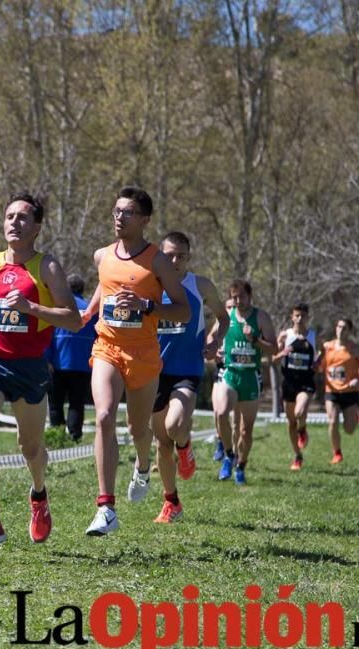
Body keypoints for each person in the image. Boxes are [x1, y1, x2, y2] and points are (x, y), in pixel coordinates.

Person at [0, 192, 81, 549]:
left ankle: (39, 496)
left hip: (29, 369)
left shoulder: (47, 268)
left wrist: (31, 307)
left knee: (30, 447)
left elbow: (73, 319)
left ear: (37, 227)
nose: (14, 223)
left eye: (23, 218)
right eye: (9, 216)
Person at [79, 186, 191, 536]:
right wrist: (89, 313)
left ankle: (143, 467)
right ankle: (106, 508)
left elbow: (183, 310)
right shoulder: (102, 255)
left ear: (144, 219)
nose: (118, 217)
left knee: (139, 430)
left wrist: (147, 307)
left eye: (127, 212)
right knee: (104, 416)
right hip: (107, 347)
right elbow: (105, 286)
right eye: (116, 210)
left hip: (142, 354)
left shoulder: (157, 261)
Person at [150, 231, 227, 523]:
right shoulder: (152, 285)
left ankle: (186, 447)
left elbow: (224, 318)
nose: (174, 260)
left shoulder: (200, 285)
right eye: (169, 255)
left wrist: (214, 342)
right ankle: (172, 502)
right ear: (161, 254)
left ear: (188, 257)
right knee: (161, 442)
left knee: (175, 424)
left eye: (180, 255)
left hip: (187, 369)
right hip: (155, 371)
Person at [212, 279, 277, 485]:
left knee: (245, 431)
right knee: (221, 413)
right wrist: (215, 349)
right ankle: (229, 455)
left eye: (241, 297)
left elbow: (274, 349)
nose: (238, 301)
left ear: (250, 296)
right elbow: (211, 337)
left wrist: (255, 340)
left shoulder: (261, 318)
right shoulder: (227, 316)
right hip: (231, 373)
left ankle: (241, 466)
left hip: (250, 376)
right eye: (234, 297)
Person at [46, 273, 97, 442]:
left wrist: (47, 359)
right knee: (77, 404)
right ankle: (75, 436)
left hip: (58, 364)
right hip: (83, 365)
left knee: (55, 404)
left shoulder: (58, 307)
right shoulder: (91, 309)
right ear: (82, 289)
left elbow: (48, 335)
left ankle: (57, 436)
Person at [274, 303, 317, 471]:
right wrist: (282, 352)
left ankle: (303, 429)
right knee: (291, 422)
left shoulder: (312, 336)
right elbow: (274, 360)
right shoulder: (285, 335)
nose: (300, 319)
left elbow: (317, 358)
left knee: (299, 412)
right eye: (297, 315)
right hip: (289, 382)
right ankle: (297, 455)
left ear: (307, 317)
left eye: (303, 316)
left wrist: (318, 363)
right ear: (292, 317)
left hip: (306, 382)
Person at [317, 318, 359, 465]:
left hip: (350, 391)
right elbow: (319, 367)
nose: (340, 330)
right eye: (338, 326)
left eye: (344, 327)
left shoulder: (355, 350)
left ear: (349, 331)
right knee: (333, 420)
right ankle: (336, 453)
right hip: (332, 391)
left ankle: (354, 416)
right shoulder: (327, 347)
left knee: (349, 430)